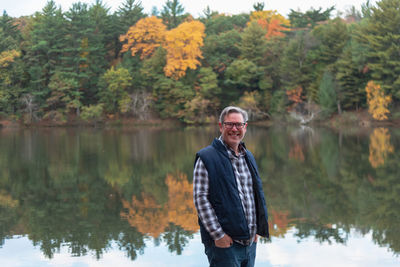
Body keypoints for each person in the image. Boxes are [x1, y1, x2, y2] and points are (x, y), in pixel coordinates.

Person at [193, 106, 269, 267]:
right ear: (221, 126)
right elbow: (200, 199)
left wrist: (256, 230)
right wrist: (218, 235)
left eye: (239, 125)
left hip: (250, 243)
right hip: (224, 246)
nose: (234, 129)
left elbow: (255, 195)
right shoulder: (206, 157)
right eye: (229, 124)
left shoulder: (248, 156)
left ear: (245, 127)